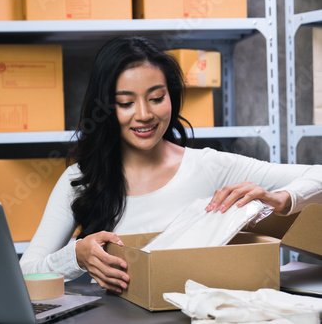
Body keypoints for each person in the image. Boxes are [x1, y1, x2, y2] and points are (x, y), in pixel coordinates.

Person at [19, 36, 322, 294]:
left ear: (171, 98)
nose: (144, 114)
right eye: (125, 103)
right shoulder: (81, 179)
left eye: (156, 98)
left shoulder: (209, 166)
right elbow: (25, 273)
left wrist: (282, 199)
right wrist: (77, 255)